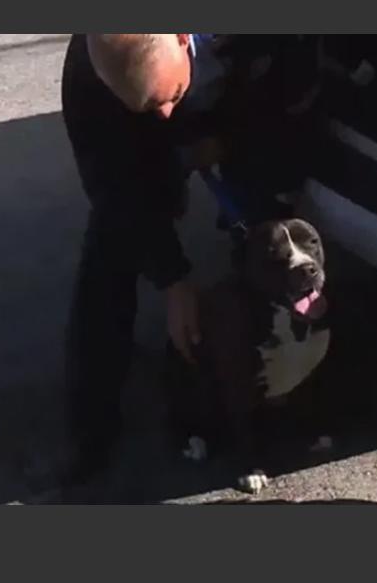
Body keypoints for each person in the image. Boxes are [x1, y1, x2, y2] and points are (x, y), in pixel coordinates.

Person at [60, 33, 262, 484]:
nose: (166, 113)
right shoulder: (88, 78)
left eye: (168, 98)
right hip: (155, 104)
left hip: (248, 80)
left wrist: (226, 134)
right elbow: (116, 190)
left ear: (181, 36)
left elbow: (284, 66)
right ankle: (91, 428)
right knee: (115, 241)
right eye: (150, 105)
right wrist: (173, 279)